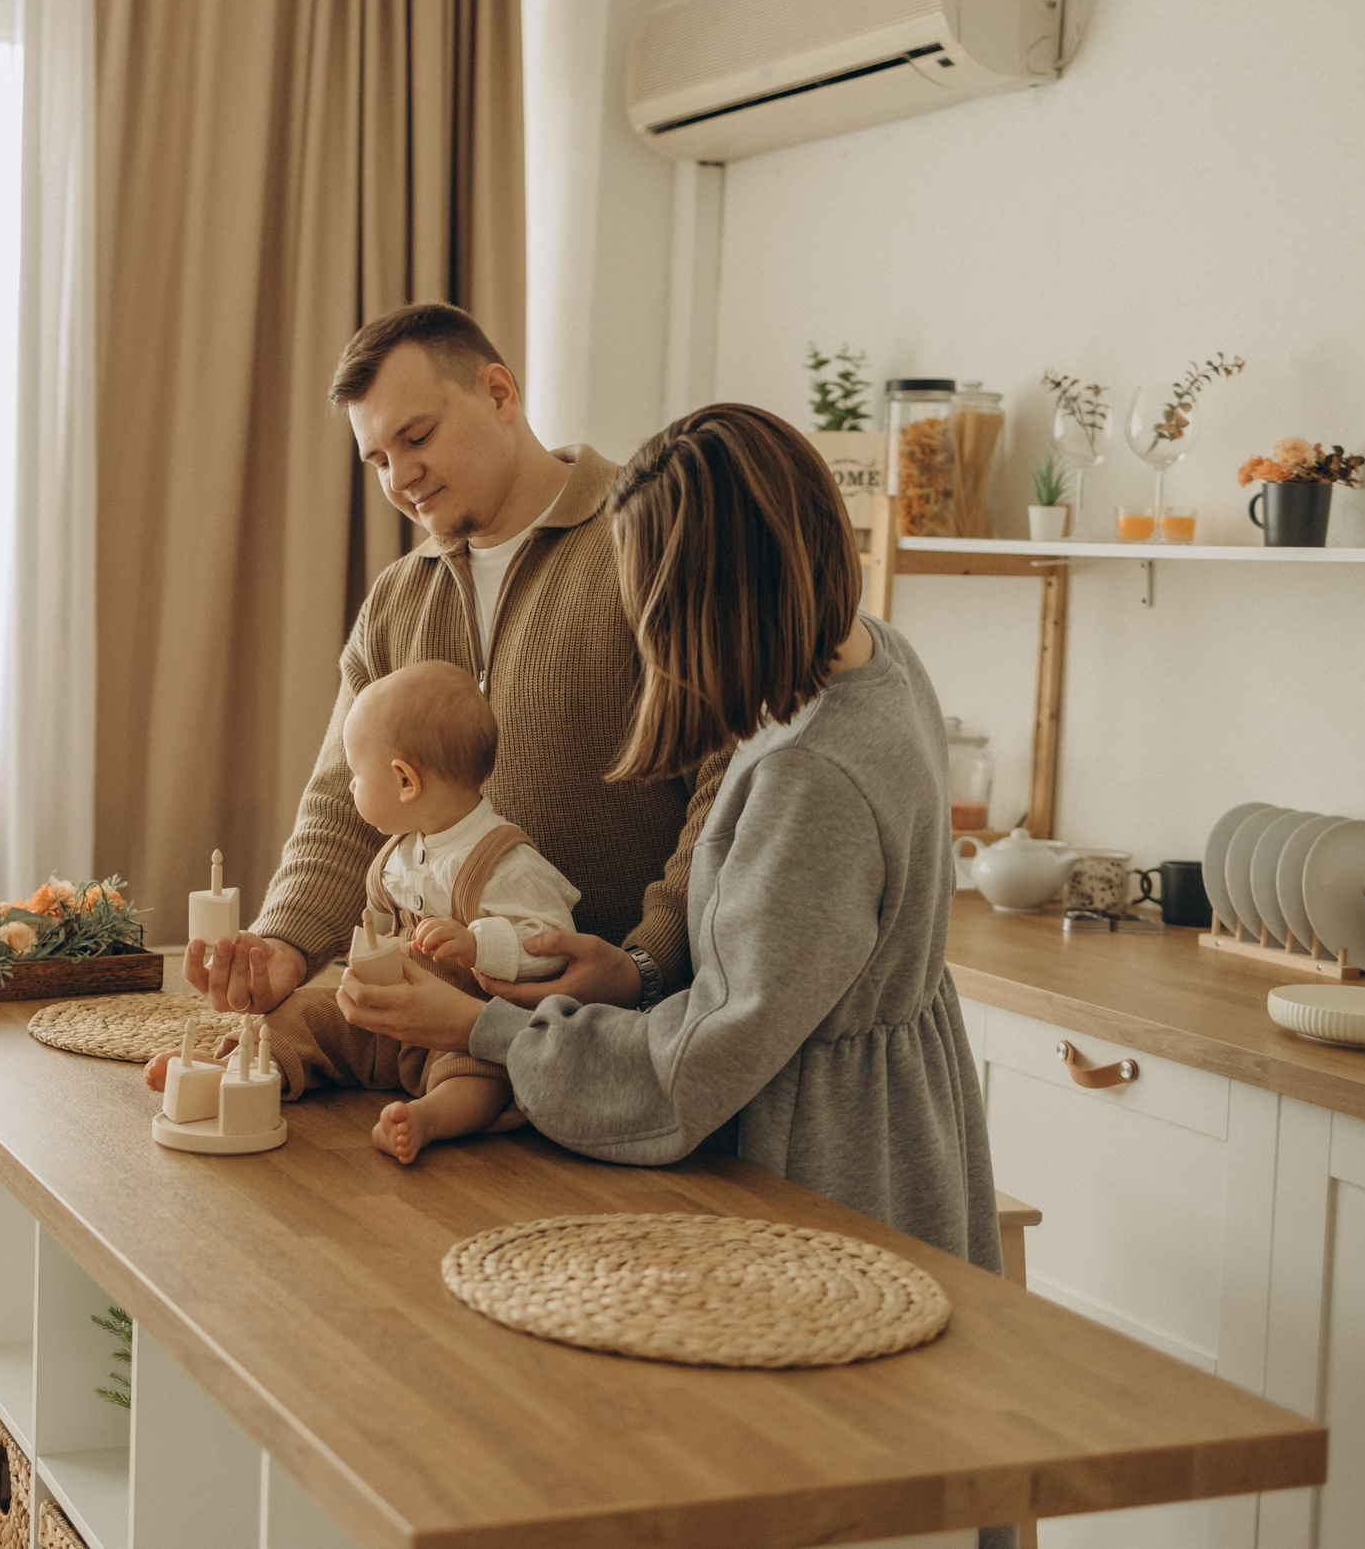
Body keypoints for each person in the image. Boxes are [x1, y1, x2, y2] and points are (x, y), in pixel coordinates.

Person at [330, 402, 1003, 1278]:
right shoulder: (873, 656)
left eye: (648, 606)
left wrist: (483, 1027)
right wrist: (633, 973)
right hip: (888, 1128)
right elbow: (774, 973)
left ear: (710, 598)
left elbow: (696, 1070)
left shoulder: (812, 779)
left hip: (817, 1179)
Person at [190, 304, 721, 1027]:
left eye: (417, 437)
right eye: (379, 460)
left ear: (500, 394)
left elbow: (728, 792)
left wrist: (649, 961)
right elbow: (344, 804)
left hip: (623, 1040)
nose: (401, 477)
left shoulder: (652, 543)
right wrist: (284, 939)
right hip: (436, 1041)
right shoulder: (397, 598)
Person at [147, 661, 580, 1163]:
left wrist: (481, 944)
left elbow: (552, 943)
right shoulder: (398, 854)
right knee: (304, 1013)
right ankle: (242, 1068)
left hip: (460, 1027)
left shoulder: (504, 861)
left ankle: (429, 1119)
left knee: (482, 1075)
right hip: (384, 1020)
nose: (349, 787)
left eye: (355, 774)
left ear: (404, 781)